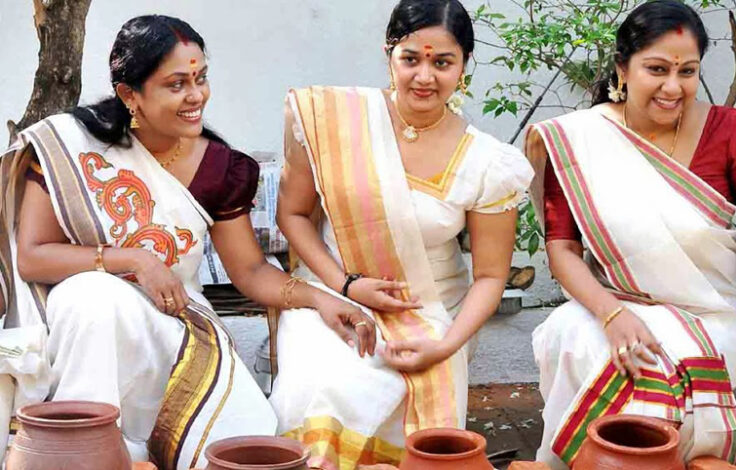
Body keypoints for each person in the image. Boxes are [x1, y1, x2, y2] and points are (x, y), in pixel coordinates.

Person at [0, 15, 365, 470]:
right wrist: (134, 260)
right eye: (176, 85)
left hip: (177, 329)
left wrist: (321, 298)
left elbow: (250, 270)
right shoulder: (69, 147)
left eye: (201, 79)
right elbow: (32, 257)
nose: (196, 96)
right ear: (129, 94)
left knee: (240, 453)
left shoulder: (219, 168)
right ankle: (92, 445)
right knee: (92, 296)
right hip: (81, 330)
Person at [269, 0, 534, 468]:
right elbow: (291, 215)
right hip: (331, 297)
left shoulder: (488, 163)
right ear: (388, 54)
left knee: (402, 391)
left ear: (464, 66)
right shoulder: (331, 119)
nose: (424, 77)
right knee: (323, 384)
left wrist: (445, 345)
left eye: (442, 62)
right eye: (411, 58)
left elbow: (491, 277)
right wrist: (346, 284)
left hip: (431, 310)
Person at [524, 1, 736, 468]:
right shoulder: (578, 140)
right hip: (617, 303)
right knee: (570, 333)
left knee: (652, 370)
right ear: (623, 69)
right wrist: (611, 314)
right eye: (657, 69)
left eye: (687, 71)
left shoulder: (728, 130)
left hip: (713, 314)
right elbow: (562, 250)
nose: (673, 87)